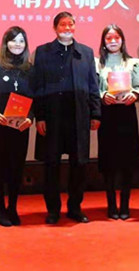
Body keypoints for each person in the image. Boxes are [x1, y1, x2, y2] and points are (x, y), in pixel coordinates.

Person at [31, 11, 101, 224]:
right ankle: (53, 210)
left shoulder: (86, 53)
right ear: (55, 28)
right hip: (52, 117)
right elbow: (38, 85)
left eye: (71, 24)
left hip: (78, 116)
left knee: (79, 164)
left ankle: (75, 207)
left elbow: (93, 85)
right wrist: (40, 116)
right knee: (51, 165)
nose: (67, 28)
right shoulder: (43, 52)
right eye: (63, 24)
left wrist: (95, 112)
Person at [0, 26, 34, 227]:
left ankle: (13, 207)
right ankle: (0, 208)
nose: (17, 44)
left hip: (20, 127)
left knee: (16, 168)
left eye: (21, 41)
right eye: (13, 40)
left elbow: (35, 96)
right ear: (6, 43)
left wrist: (31, 117)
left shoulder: (30, 69)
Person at [96, 24, 139, 220]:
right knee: (108, 162)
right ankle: (111, 205)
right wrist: (102, 95)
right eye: (108, 38)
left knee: (128, 161)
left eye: (116, 37)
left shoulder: (133, 63)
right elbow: (93, 89)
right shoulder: (97, 64)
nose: (113, 41)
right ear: (104, 42)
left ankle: (125, 205)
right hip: (107, 115)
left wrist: (135, 94)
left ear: (122, 40)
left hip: (127, 114)